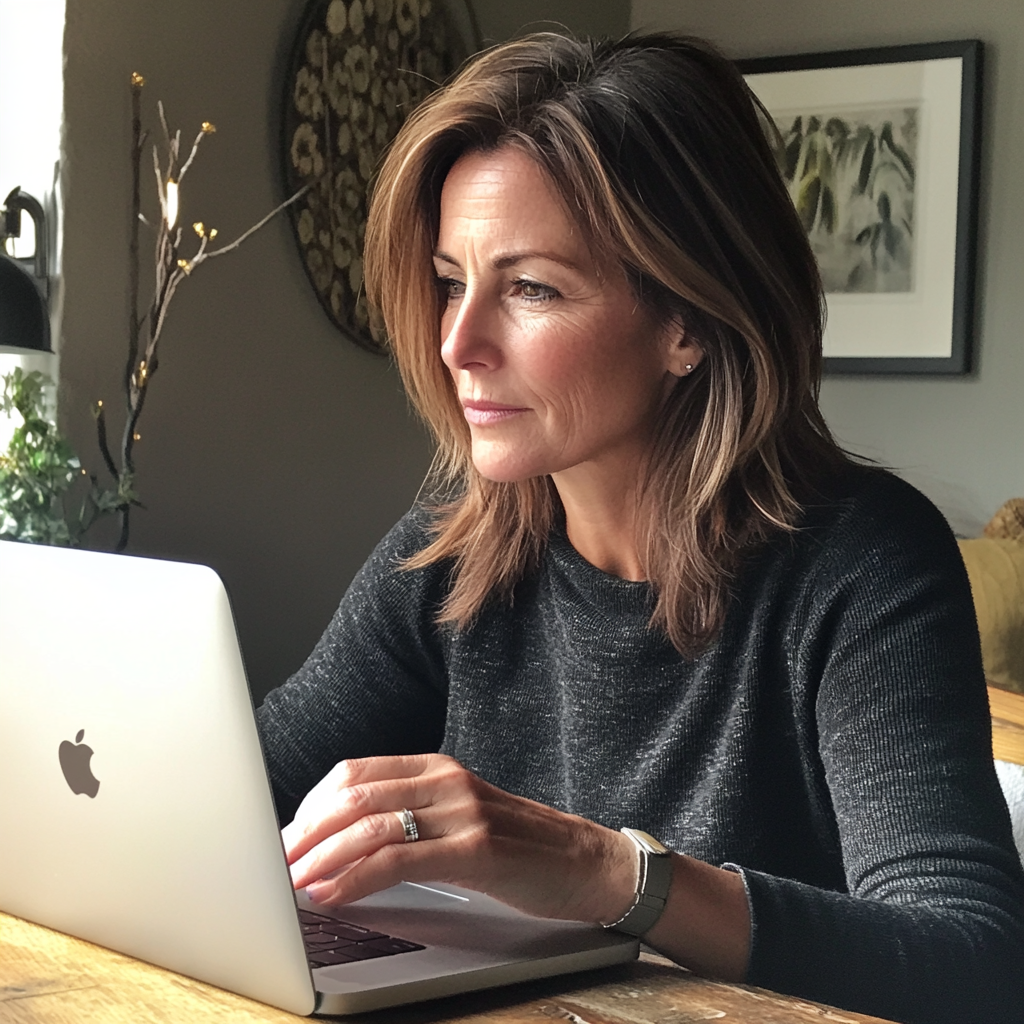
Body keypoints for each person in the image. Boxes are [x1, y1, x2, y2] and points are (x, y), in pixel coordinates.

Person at [257, 32, 1024, 1024]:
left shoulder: (862, 563)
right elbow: (241, 806)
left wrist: (602, 870)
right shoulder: (447, 556)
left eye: (529, 287)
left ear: (689, 321)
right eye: (452, 279)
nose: (458, 342)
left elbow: (973, 965)